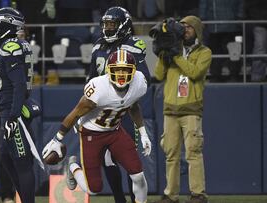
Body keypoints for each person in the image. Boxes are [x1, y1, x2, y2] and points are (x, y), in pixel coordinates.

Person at [42, 49, 152, 203]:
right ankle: (73, 166)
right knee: (93, 189)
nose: (121, 75)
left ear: (133, 72)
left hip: (115, 132)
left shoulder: (139, 83)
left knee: (138, 175)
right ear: (109, 71)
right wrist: (57, 138)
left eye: (125, 70)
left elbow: (133, 107)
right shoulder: (99, 88)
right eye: (117, 70)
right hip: (91, 134)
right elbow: (75, 113)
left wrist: (143, 133)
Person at [87, 6, 151, 203]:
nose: (107, 28)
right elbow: (90, 79)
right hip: (103, 112)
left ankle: (134, 199)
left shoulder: (134, 45)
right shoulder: (98, 46)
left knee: (128, 159)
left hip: (124, 109)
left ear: (123, 25)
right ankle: (118, 199)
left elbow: (143, 79)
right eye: (105, 24)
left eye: (112, 24)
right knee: (106, 158)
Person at [153, 16, 211, 203]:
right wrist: (163, 53)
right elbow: (158, 74)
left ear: (197, 31)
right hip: (170, 110)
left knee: (193, 154)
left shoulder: (204, 52)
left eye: (189, 27)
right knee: (171, 155)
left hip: (191, 110)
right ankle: (171, 195)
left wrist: (176, 55)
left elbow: (194, 73)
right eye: (182, 26)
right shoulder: (172, 50)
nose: (185, 30)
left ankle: (198, 194)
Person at [0, 7, 43, 203]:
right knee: (5, 156)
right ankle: (24, 197)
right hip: (10, 108)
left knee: (21, 162)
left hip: (14, 109)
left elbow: (19, 84)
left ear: (4, 24)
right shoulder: (18, 44)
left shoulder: (10, 47)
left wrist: (13, 116)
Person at [199, 0, 244, 82]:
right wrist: (239, 17)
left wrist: (203, 19)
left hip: (216, 27)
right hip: (231, 27)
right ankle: (233, 76)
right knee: (234, 53)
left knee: (217, 53)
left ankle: (216, 76)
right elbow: (241, 6)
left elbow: (203, 8)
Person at [244, 0, 267, 82]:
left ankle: (257, 76)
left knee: (260, 49)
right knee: (260, 49)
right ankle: (257, 77)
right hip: (260, 22)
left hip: (259, 20)